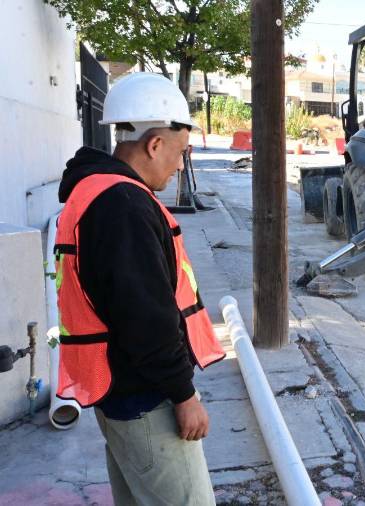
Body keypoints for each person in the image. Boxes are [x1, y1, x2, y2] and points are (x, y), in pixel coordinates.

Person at [54, 72, 225, 505]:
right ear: (154, 144)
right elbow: (147, 318)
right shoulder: (123, 205)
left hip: (118, 391)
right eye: (180, 153)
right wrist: (184, 395)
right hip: (148, 398)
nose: (179, 165)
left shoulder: (94, 192)